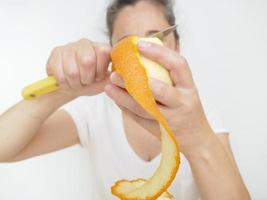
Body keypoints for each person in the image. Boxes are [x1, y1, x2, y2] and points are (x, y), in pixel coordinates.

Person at [0, 0, 250, 199]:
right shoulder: (94, 111)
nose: (141, 50)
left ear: (176, 48)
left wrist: (197, 139)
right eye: (126, 43)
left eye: (154, 38)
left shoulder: (202, 115)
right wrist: (65, 89)